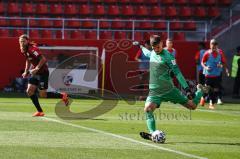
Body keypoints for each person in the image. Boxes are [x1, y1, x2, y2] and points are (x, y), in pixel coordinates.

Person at [137, 35, 206, 141]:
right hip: (155, 92)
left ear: (161, 43)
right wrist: (141, 47)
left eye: (158, 47)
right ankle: (153, 134)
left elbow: (177, 73)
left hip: (169, 90)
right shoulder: (152, 53)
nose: (156, 50)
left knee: (192, 106)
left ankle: (200, 91)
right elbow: (147, 53)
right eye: (154, 48)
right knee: (148, 109)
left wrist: (187, 89)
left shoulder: (169, 57)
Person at [19, 34, 69, 117]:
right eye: (20, 41)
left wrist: (36, 69)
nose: (22, 43)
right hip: (35, 73)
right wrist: (26, 71)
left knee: (43, 95)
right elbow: (28, 60)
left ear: (27, 41)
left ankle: (63, 96)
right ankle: (40, 111)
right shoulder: (24, 49)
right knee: (29, 91)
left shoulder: (33, 49)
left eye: (23, 41)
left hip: (43, 73)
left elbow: (43, 59)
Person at [201, 39, 228, 109]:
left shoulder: (220, 53)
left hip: (217, 74)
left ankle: (211, 103)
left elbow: (224, 63)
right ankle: (203, 97)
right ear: (210, 46)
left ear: (217, 46)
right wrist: (206, 67)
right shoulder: (207, 53)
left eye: (215, 47)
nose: (213, 48)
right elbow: (202, 62)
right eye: (212, 47)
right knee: (207, 89)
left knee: (215, 89)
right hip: (208, 75)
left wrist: (221, 66)